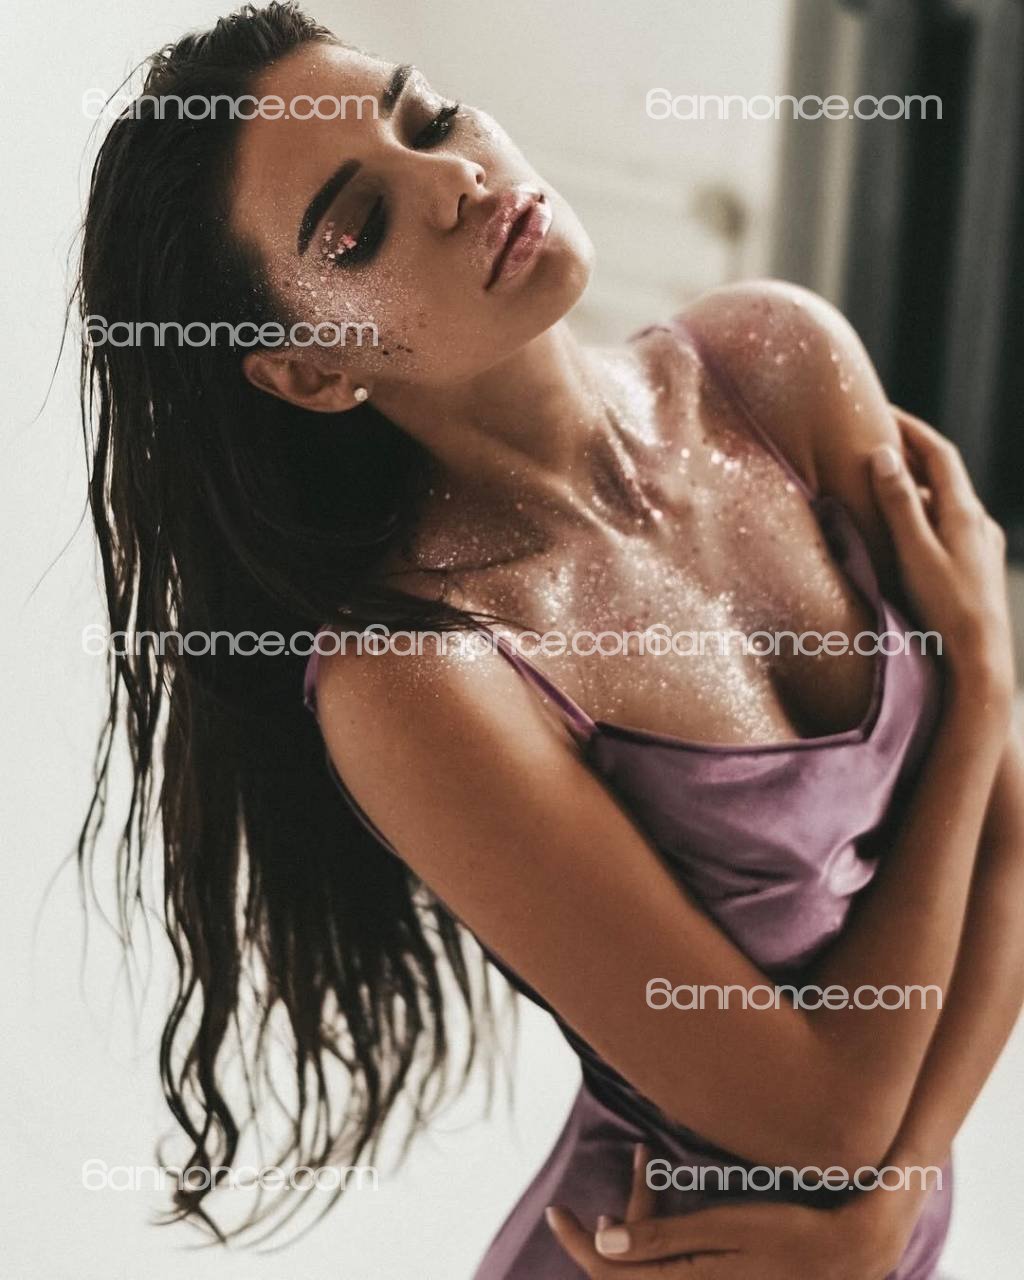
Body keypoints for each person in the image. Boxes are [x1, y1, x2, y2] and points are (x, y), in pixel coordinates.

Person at [77, 4, 1023, 1276]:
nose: (455, 181)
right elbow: (822, 1116)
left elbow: (1012, 847)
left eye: (429, 119)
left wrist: (885, 1208)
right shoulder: (419, 676)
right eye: (357, 228)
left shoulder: (778, 361)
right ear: (309, 372)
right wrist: (983, 682)